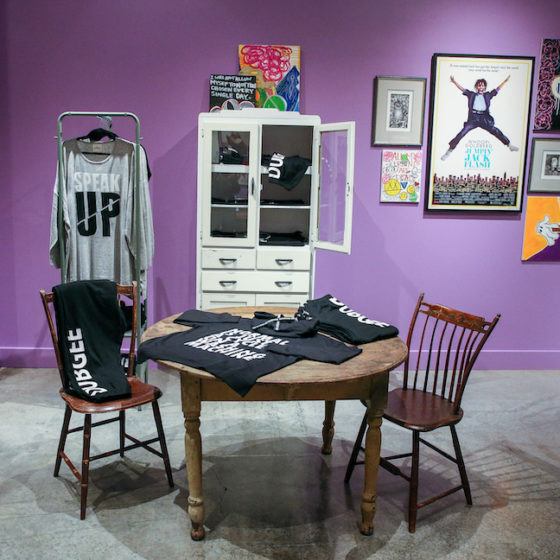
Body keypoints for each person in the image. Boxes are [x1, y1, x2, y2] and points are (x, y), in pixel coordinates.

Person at [441, 75, 518, 161]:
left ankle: (509, 145)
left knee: (495, 130)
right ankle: (449, 151)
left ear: (484, 87)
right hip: (473, 118)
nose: (481, 87)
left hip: (484, 118)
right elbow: (462, 89)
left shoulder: (488, 95)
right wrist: (454, 82)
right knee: (462, 132)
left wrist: (505, 81)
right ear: (476, 86)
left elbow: (497, 89)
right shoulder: (471, 94)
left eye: (482, 85)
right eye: (479, 85)